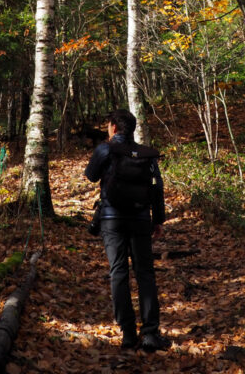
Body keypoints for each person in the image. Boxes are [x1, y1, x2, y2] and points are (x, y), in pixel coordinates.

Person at [84, 108, 170, 352]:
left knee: (118, 272)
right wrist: (158, 220)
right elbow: (157, 187)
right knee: (145, 273)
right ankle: (150, 333)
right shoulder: (145, 154)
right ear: (132, 129)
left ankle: (128, 333)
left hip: (112, 219)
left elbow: (91, 176)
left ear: (113, 127)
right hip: (141, 219)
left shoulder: (105, 149)